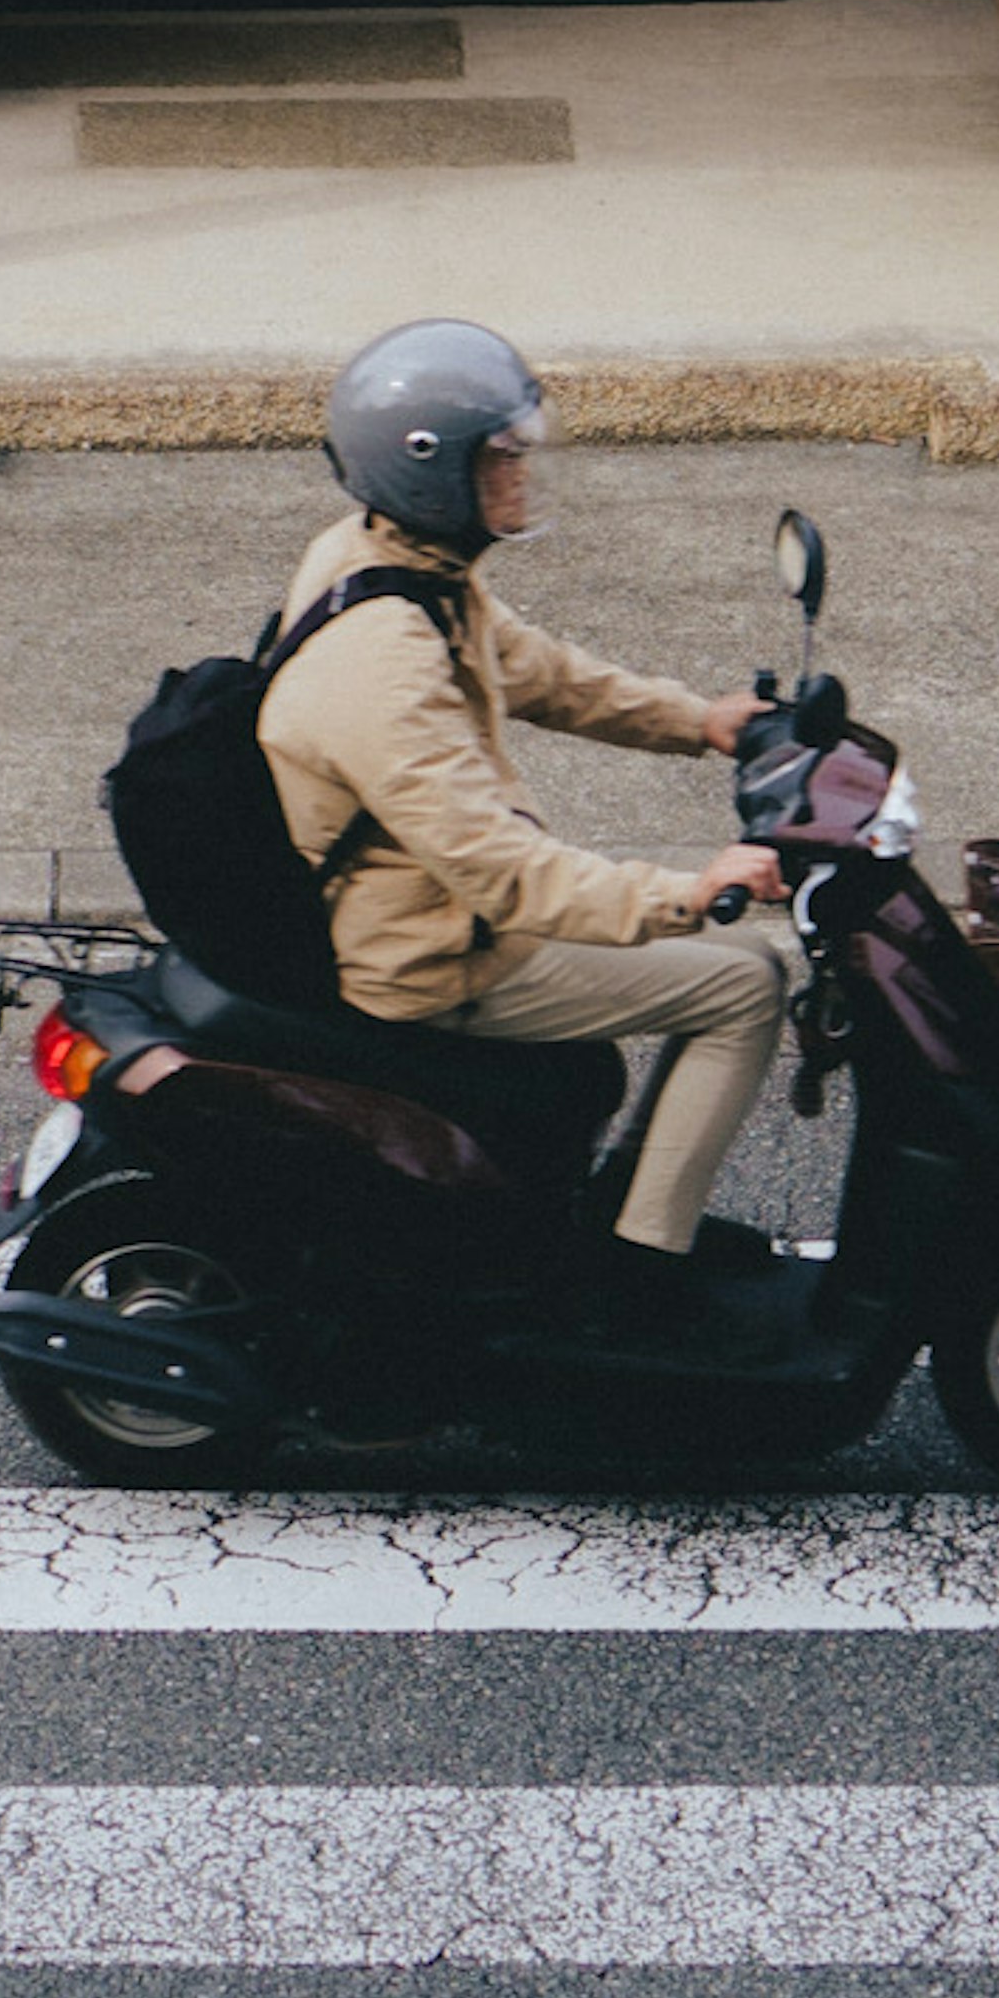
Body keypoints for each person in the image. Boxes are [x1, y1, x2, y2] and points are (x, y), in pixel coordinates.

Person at [259, 316, 792, 1333]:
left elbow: (535, 667)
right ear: (433, 472)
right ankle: (642, 1268)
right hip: (430, 961)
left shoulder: (388, 563)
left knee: (717, 974)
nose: (521, 477)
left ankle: (621, 1215)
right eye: (501, 459)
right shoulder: (383, 665)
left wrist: (702, 720)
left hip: (439, 920)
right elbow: (506, 874)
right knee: (747, 982)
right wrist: (692, 892)